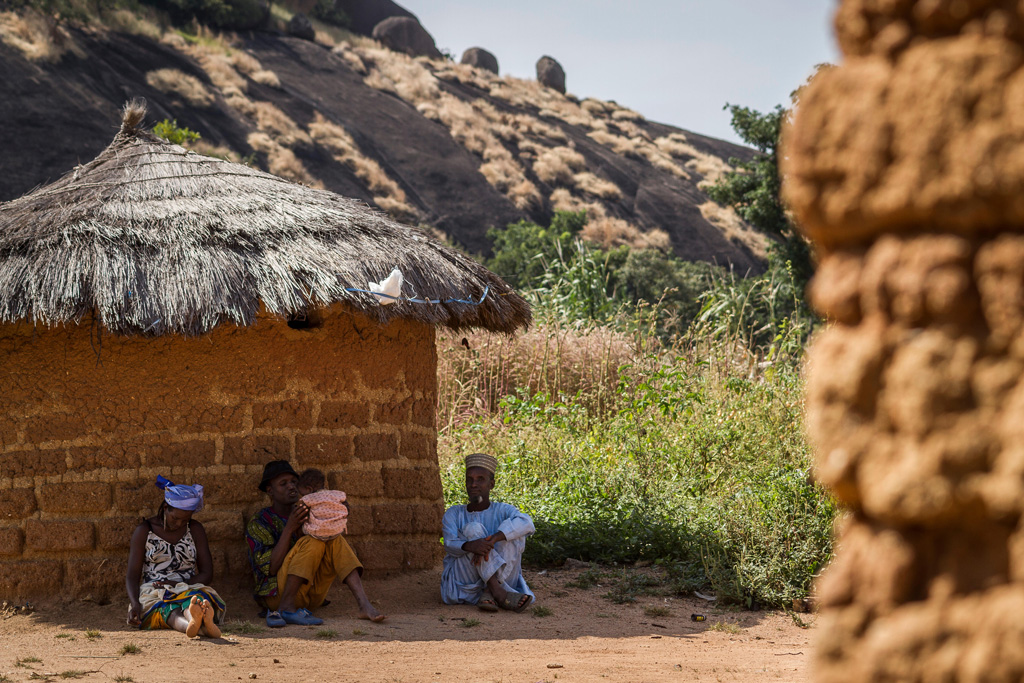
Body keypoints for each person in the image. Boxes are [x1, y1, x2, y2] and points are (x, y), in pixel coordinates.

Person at [245, 460, 385, 627]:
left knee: (333, 537)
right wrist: (290, 527)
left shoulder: (312, 511)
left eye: (294, 482)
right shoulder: (259, 522)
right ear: (270, 491)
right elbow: (271, 568)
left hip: (312, 595)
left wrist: (339, 512)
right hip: (277, 596)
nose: (291, 487)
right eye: (283, 484)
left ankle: (364, 604)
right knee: (313, 540)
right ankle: (286, 607)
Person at [125, 476, 225, 638]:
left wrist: (179, 584)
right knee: (168, 610)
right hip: (154, 591)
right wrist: (135, 604)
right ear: (166, 507)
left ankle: (197, 619)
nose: (179, 524)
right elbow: (131, 576)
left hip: (188, 587)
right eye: (176, 518)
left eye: (185, 520)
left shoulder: (195, 530)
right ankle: (196, 627)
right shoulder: (144, 531)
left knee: (196, 600)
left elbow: (207, 573)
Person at [441, 453, 536, 612]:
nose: (473, 484)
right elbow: (449, 545)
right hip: (465, 584)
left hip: (504, 579)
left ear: (491, 484)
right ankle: (497, 592)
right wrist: (471, 546)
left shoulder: (503, 510)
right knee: (473, 529)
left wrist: (492, 540)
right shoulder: (454, 513)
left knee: (515, 533)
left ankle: (489, 591)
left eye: (480, 479)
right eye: (469, 479)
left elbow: (527, 523)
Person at [296, 468, 349, 541]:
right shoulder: (334, 494)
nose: (302, 496)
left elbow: (303, 509)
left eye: (302, 494)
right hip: (336, 531)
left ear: (309, 489)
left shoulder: (310, 498)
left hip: (317, 534)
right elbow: (345, 501)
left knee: (302, 528)